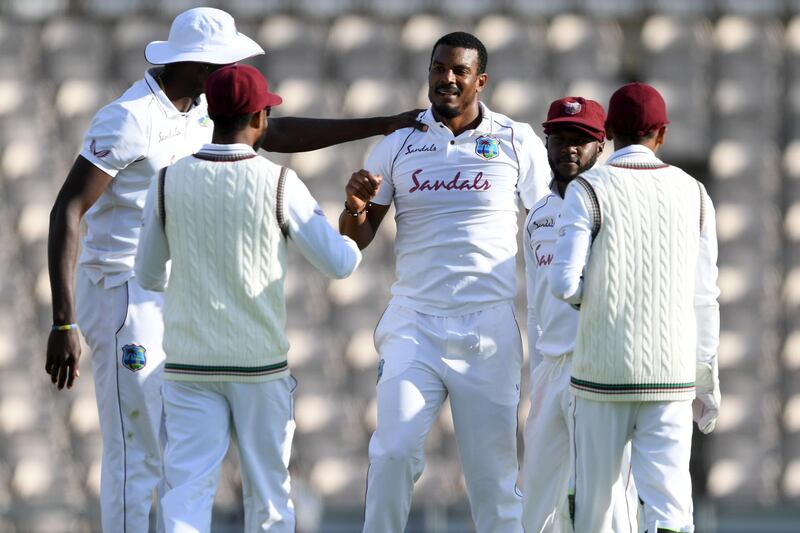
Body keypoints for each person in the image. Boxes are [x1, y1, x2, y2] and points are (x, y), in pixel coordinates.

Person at [44, 7, 422, 532]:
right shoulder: (129, 118)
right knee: (136, 449)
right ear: (201, 66)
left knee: (174, 454)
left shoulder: (200, 108)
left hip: (167, 292)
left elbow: (270, 132)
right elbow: (67, 208)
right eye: (229, 61)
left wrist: (378, 124)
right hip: (122, 292)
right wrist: (63, 322)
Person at [133, 63, 361, 533]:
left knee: (186, 492)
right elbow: (339, 264)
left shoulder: (167, 181)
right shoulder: (278, 181)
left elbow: (149, 276)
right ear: (259, 117)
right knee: (270, 499)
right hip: (258, 367)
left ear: (212, 113)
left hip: (189, 365)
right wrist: (356, 226)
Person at [339, 32, 550, 532]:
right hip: (415, 325)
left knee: (494, 481)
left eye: (459, 71)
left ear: (481, 80)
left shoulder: (515, 140)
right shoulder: (399, 144)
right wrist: (352, 208)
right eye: (439, 69)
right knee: (391, 454)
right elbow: (358, 237)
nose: (447, 79)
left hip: (488, 329)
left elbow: (548, 221)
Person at [550, 83, 721, 533]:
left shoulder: (587, 188)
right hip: (672, 376)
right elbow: (705, 296)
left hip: (601, 376)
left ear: (608, 132)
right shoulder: (696, 193)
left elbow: (564, 284)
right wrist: (705, 375)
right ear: (661, 134)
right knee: (670, 509)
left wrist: (607, 296)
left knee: (596, 506)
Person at [522, 96, 641, 533]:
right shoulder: (537, 212)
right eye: (559, 138)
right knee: (537, 497)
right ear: (546, 142)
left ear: (601, 146)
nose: (568, 149)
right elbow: (537, 302)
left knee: (606, 503)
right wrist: (537, 372)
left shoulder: (616, 203)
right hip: (550, 368)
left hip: (599, 366)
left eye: (581, 140)